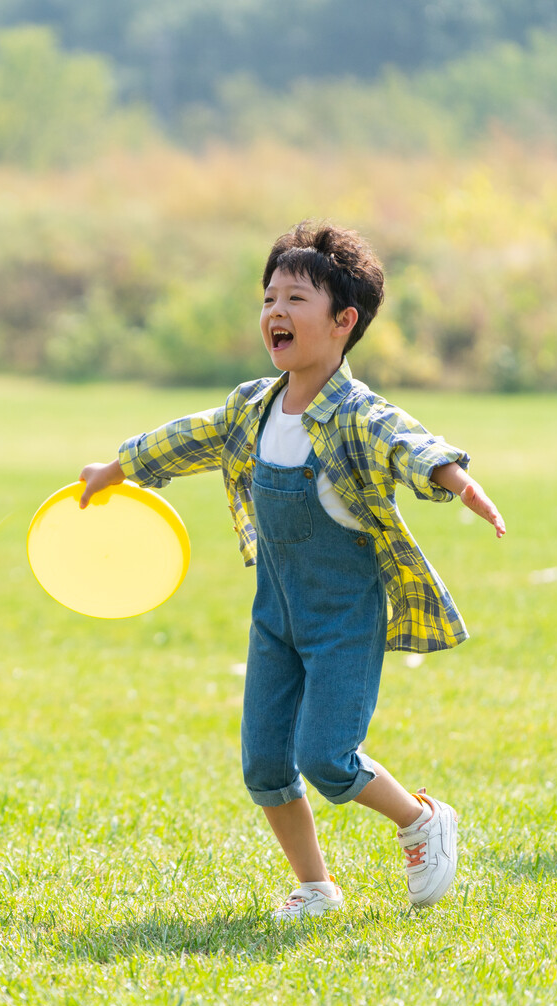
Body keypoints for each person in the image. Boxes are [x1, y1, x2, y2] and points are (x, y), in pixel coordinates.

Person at [79, 222, 505, 922]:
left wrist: (456, 479)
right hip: (275, 615)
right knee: (265, 765)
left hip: (343, 619)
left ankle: (422, 818)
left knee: (327, 757)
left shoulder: (357, 415)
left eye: (296, 297)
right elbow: (186, 436)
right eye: (269, 295)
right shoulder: (253, 405)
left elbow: (408, 442)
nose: (275, 310)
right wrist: (117, 468)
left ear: (344, 321)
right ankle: (315, 888)